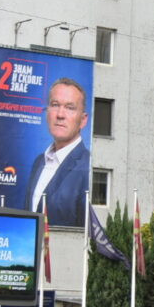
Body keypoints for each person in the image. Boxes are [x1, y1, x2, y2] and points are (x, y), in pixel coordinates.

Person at [21, 77, 90, 227]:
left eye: (70, 108)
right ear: (47, 112)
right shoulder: (39, 162)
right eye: (55, 105)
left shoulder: (88, 166)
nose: (60, 114)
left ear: (83, 120)